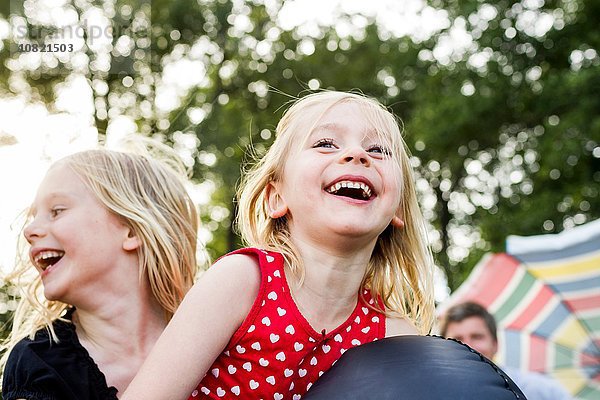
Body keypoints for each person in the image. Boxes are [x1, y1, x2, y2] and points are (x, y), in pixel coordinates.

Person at [122, 90, 436, 400]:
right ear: (277, 197)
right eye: (325, 143)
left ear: (398, 209)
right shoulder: (242, 282)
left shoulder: (395, 335)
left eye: (379, 149)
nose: (357, 155)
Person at [0, 136, 201, 400]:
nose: (29, 231)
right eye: (33, 217)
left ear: (130, 229)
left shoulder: (213, 342)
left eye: (57, 210)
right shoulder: (38, 361)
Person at [440, 301, 573, 400]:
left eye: (477, 337)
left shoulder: (543, 392)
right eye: (457, 339)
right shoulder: (430, 393)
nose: (467, 346)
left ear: (495, 344)